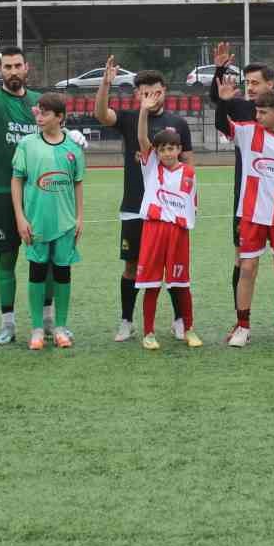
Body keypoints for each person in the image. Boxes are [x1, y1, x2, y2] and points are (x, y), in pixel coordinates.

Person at [94, 56, 194, 343]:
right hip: (134, 207)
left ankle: (179, 320)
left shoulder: (178, 123)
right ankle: (127, 321)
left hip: (169, 211)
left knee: (172, 266)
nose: (151, 96)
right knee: (131, 265)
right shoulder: (129, 118)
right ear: (137, 94)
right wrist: (105, 84)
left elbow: (188, 165)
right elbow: (101, 115)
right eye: (145, 91)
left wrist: (188, 204)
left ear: (164, 91)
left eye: (155, 91)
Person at [0, 29, 52, 344]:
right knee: (6, 259)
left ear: (27, 67)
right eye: (7, 67)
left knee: (44, 260)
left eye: (18, 65)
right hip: (2, 194)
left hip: (39, 194)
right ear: (0, 70)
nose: (13, 71)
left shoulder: (39, 103)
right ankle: (8, 325)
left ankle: (47, 321)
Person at [215, 87, 274, 347]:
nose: (257, 116)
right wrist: (223, 102)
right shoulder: (247, 132)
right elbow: (221, 124)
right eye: (257, 111)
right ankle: (242, 326)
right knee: (247, 268)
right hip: (251, 214)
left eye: (263, 112)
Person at [208, 42, 274, 311]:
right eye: (248, 83)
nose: (251, 88)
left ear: (271, 84)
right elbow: (218, 101)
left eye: (256, 82)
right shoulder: (242, 107)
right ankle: (240, 318)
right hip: (246, 197)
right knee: (242, 259)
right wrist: (219, 70)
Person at [11, 93, 86, 350]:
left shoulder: (73, 149)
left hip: (65, 224)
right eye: (38, 112)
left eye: (45, 113)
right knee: (37, 272)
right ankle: (37, 329)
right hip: (36, 223)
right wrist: (20, 217)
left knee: (63, 273)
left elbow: (78, 183)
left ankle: (60, 327)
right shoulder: (27, 145)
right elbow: (16, 180)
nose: (39, 117)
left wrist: (79, 217)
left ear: (59, 117)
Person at [130, 88, 201, 350]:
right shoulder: (151, 167)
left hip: (178, 233)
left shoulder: (189, 172)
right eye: (162, 149)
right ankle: (148, 333)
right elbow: (141, 137)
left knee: (181, 284)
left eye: (172, 148)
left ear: (180, 149)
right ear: (156, 152)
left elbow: (192, 204)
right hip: (154, 230)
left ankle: (188, 328)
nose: (167, 153)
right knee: (151, 284)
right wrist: (144, 110)